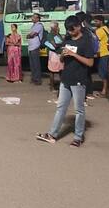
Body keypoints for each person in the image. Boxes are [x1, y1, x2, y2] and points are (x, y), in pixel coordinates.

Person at [36, 16, 95, 147]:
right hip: (66, 78)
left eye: (72, 30)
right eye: (68, 30)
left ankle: (78, 137)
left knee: (79, 110)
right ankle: (52, 135)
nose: (69, 32)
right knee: (60, 108)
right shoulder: (67, 40)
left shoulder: (86, 41)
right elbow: (62, 60)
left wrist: (74, 55)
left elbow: (90, 62)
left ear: (79, 27)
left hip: (79, 79)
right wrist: (63, 54)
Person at [93, 15, 109, 97]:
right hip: (108, 52)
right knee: (106, 72)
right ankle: (108, 89)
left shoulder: (99, 30)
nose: (95, 23)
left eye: (96, 21)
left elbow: (95, 42)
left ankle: (104, 90)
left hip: (102, 53)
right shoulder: (106, 28)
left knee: (102, 73)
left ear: (101, 21)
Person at [44, 22, 64, 91]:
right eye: (57, 26)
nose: (58, 27)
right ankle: (52, 87)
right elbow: (55, 45)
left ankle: (60, 87)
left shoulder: (57, 34)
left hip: (58, 53)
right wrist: (62, 44)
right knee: (53, 71)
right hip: (54, 54)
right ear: (53, 28)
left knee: (60, 70)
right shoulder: (50, 35)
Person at [26, 13, 44, 85]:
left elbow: (32, 34)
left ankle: (37, 79)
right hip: (31, 47)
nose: (32, 18)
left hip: (35, 46)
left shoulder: (39, 25)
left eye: (33, 17)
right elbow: (30, 35)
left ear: (37, 18)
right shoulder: (34, 25)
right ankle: (33, 78)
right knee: (32, 64)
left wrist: (29, 35)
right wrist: (29, 35)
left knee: (36, 64)